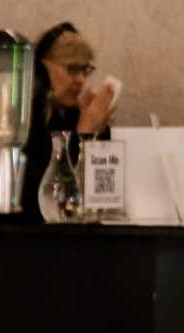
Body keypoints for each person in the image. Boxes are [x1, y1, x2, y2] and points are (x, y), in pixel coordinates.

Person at [25, 22, 119, 212]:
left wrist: (98, 132)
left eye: (85, 70)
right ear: (42, 70)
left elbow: (104, 191)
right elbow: (43, 199)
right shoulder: (27, 120)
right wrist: (84, 132)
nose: (81, 80)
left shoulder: (76, 113)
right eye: (72, 69)